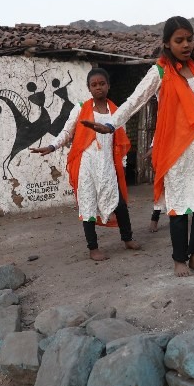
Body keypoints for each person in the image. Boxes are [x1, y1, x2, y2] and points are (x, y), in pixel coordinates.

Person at [80, 16, 194, 277]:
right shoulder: (160, 71)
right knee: (178, 204)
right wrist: (111, 124)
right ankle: (180, 258)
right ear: (167, 43)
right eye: (179, 40)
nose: (186, 44)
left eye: (189, 39)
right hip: (173, 149)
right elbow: (135, 101)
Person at [30, 68, 141, 262]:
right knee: (88, 204)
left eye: (102, 84)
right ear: (89, 88)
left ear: (108, 85)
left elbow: (120, 141)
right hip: (86, 165)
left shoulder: (116, 112)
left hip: (107, 164)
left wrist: (121, 165)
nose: (98, 88)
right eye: (94, 85)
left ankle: (127, 238)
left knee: (120, 203)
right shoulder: (81, 108)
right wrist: (52, 146)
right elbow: (67, 132)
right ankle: (93, 248)